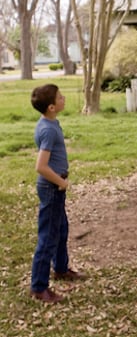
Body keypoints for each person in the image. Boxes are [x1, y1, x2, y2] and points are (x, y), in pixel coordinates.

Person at [29, 84, 84, 304]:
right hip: (52, 188)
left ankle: (60, 269)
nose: (64, 98)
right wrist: (62, 182)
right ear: (52, 106)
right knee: (48, 238)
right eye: (60, 97)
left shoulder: (50, 122)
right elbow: (41, 166)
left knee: (61, 229)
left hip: (55, 187)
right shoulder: (48, 130)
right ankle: (39, 287)